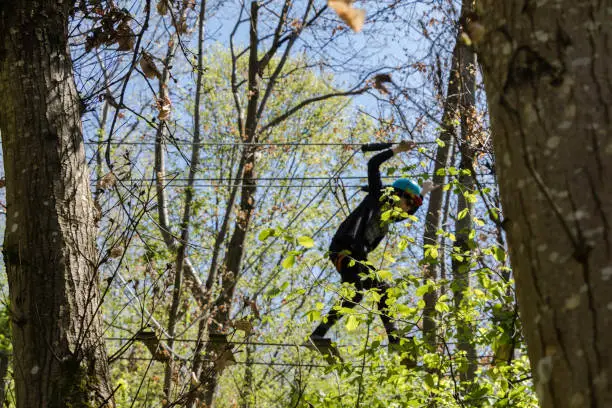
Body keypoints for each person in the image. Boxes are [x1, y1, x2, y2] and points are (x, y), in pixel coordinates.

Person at [310, 140, 435, 349]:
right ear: (398, 194)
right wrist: (397, 150)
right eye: (409, 201)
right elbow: (373, 164)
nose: (409, 209)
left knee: (369, 292)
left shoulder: (391, 215)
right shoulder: (378, 196)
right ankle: (393, 339)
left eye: (413, 206)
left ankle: (318, 335)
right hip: (345, 249)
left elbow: (408, 212)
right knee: (366, 290)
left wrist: (423, 193)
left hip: (356, 256)